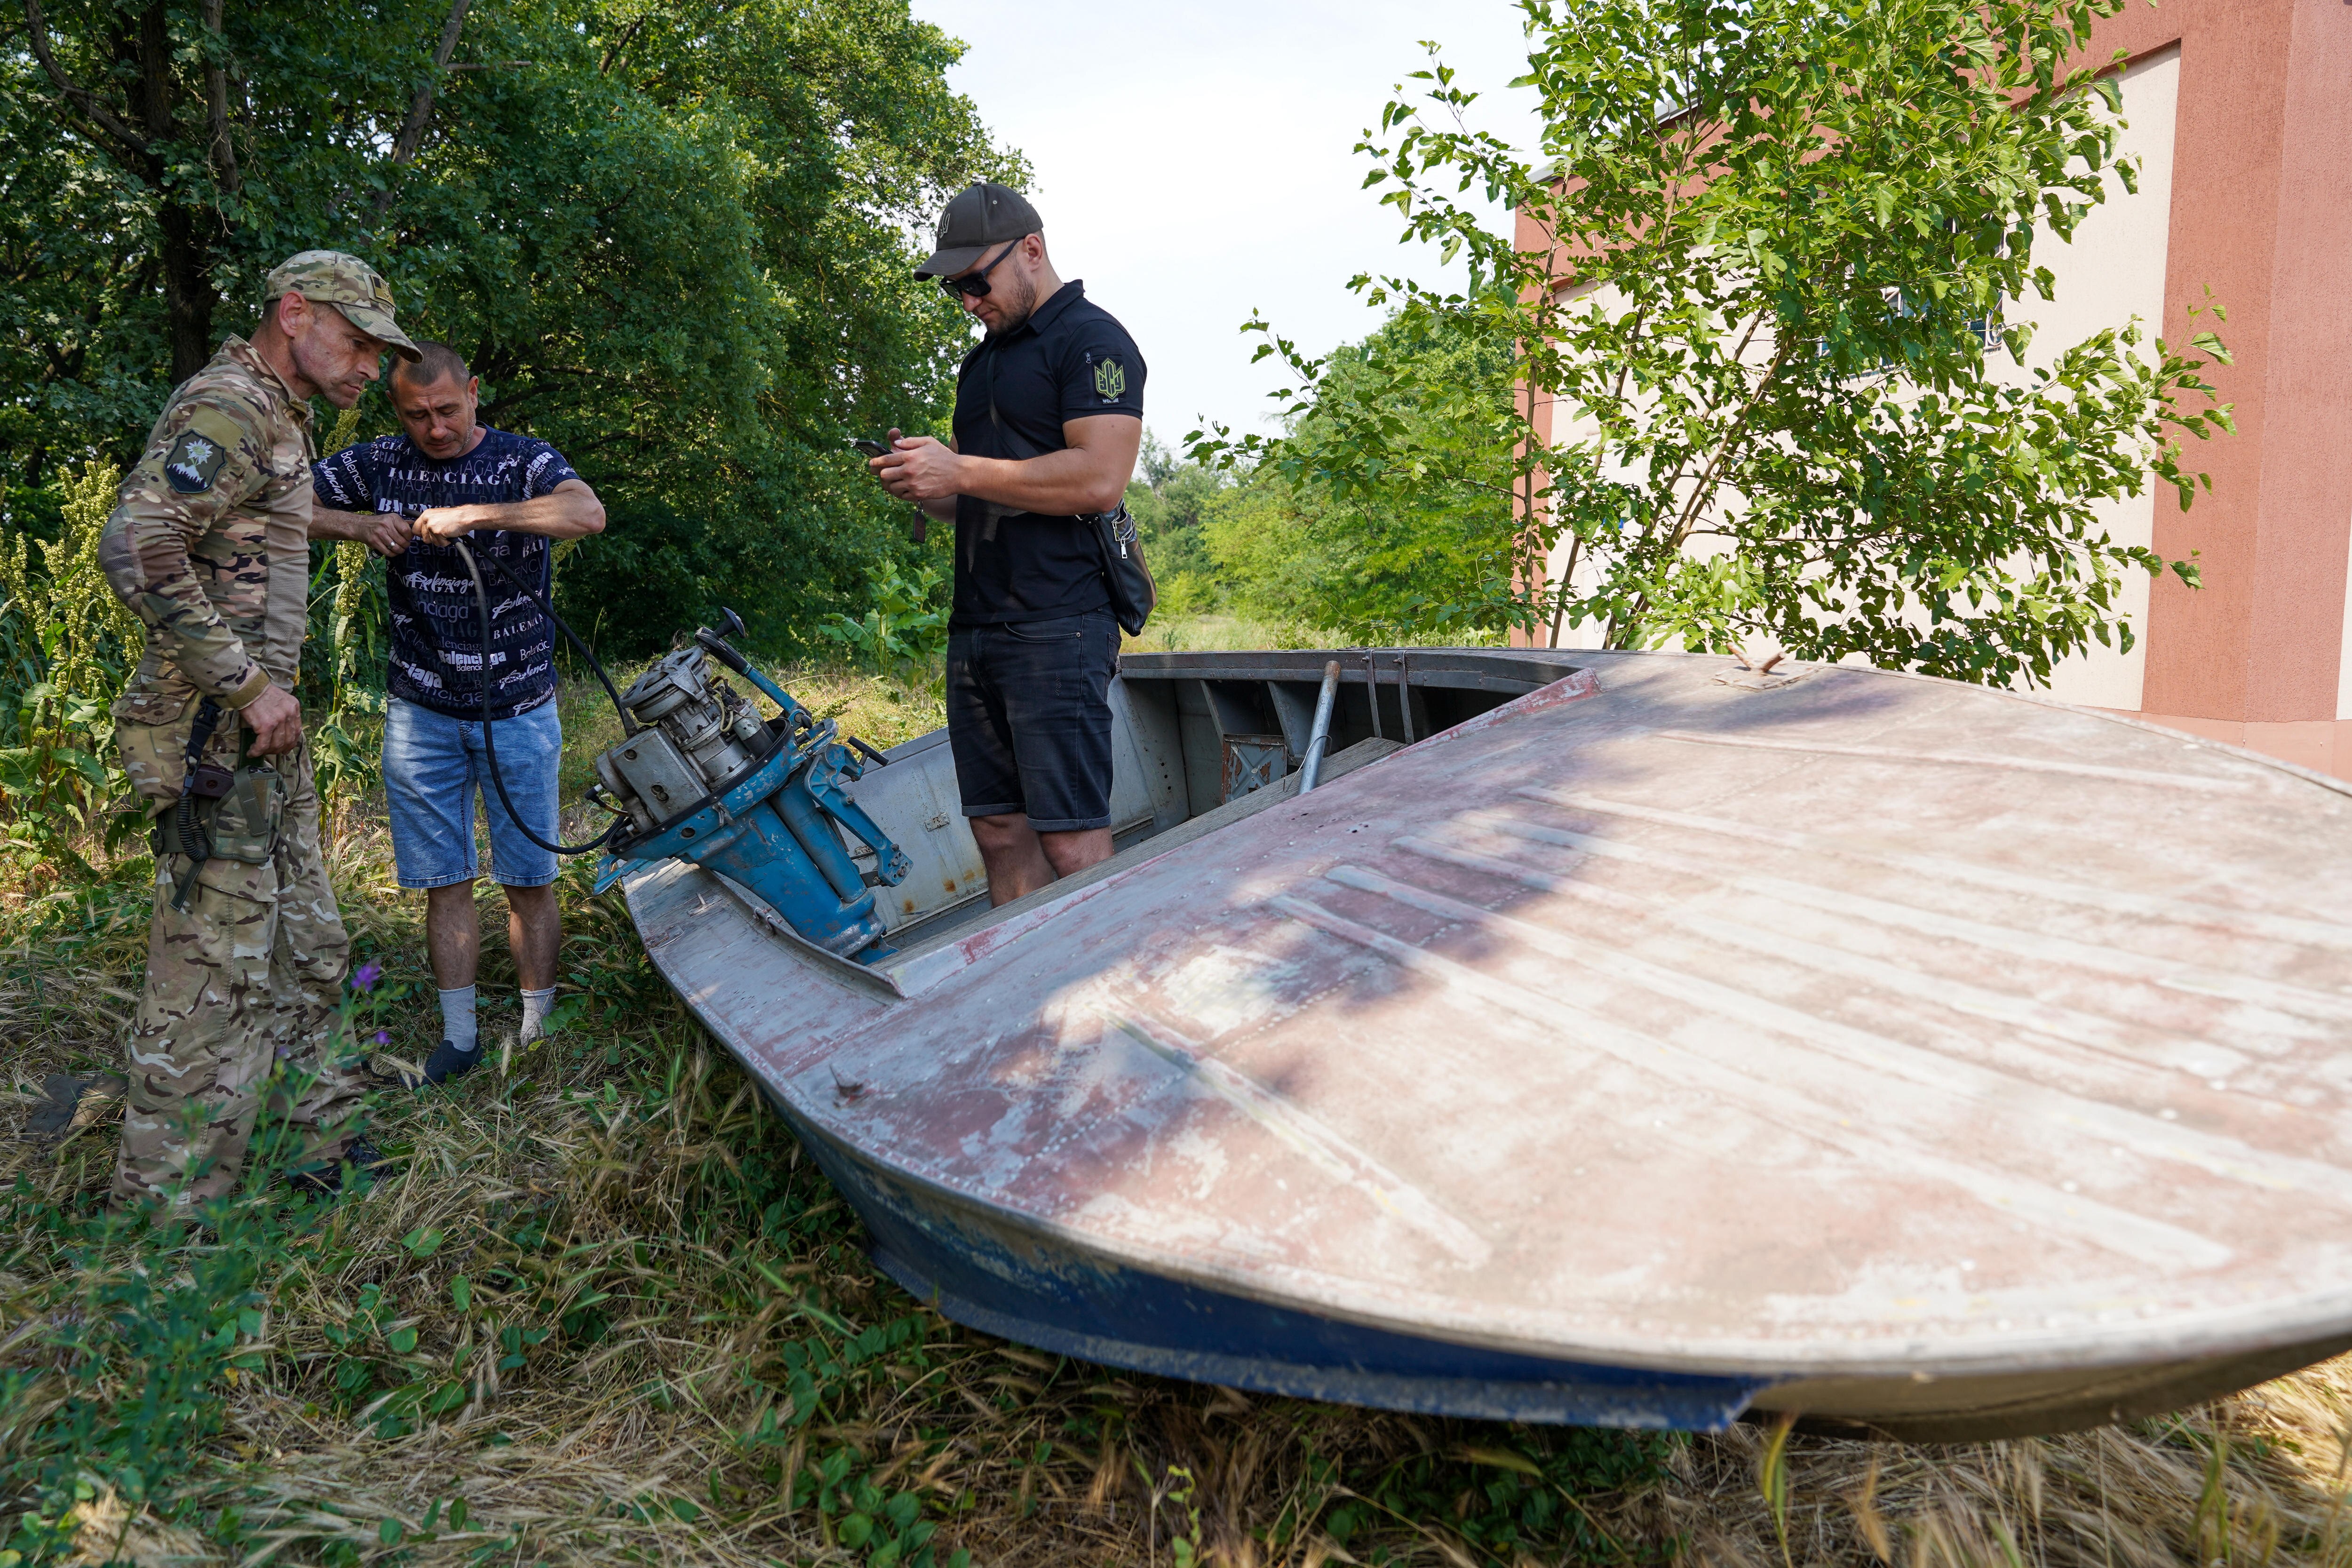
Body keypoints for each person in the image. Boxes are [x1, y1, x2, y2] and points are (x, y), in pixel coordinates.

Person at [99, 250, 422, 1209]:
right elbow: (137, 541)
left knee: (305, 941)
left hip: (261, 733)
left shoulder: (280, 416)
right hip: (214, 731)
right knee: (212, 976)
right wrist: (242, 685)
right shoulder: (229, 404)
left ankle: (308, 1132)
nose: (372, 367)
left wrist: (351, 527)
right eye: (358, 342)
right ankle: (168, 1215)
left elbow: (254, 515)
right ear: (295, 314)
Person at [311, 342, 605, 1085]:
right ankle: (461, 1036)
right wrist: (354, 527)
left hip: (519, 706)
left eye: (447, 410)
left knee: (529, 874)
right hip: (421, 711)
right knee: (444, 878)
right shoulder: (378, 463)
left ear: (474, 394)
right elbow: (279, 501)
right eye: (417, 415)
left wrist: (480, 513)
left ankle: (537, 1027)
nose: (435, 428)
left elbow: (587, 512)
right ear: (397, 411)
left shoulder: (522, 459)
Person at [868, 182, 1145, 905]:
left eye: (975, 280)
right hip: (979, 626)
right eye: (954, 289)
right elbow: (982, 492)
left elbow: (1098, 480)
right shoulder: (982, 362)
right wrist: (929, 486)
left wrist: (958, 467)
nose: (967, 300)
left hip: (1061, 621)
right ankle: (1024, 1004)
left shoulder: (1093, 341)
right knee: (997, 830)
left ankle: (1110, 993)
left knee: (1071, 837)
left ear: (1031, 249)